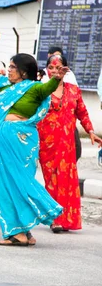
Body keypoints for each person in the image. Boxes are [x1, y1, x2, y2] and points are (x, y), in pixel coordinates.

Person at [0, 32, 65, 246]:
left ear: (24, 71)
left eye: (12, 67)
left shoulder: (34, 88)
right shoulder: (5, 85)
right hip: (2, 138)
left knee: (18, 182)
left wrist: (57, 78)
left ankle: (23, 227)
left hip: (21, 141)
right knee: (7, 184)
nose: (8, 70)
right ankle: (23, 232)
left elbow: (48, 87)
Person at [37, 55, 102, 233]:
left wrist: (90, 132)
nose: (55, 71)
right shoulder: (40, 91)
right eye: (51, 67)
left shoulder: (73, 90)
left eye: (59, 67)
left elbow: (82, 112)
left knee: (66, 181)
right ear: (46, 70)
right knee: (52, 180)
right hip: (47, 144)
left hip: (67, 144)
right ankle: (54, 218)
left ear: (66, 69)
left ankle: (68, 218)